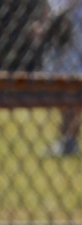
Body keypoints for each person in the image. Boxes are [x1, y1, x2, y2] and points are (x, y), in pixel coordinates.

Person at [38, 0, 82, 156]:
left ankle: (69, 140)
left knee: (74, 85)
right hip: (58, 38)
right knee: (59, 87)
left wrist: (63, 13)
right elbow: (47, 8)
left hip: (76, 25)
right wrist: (43, 27)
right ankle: (67, 139)